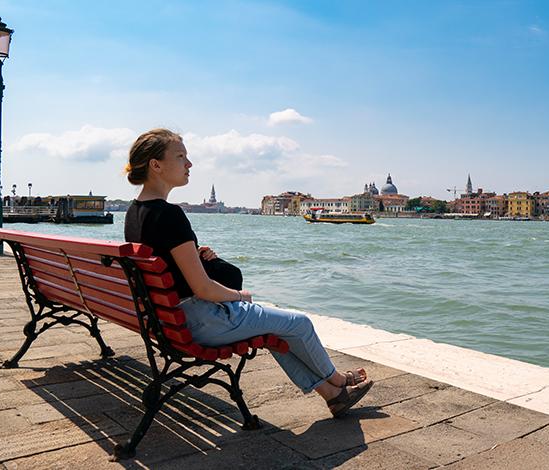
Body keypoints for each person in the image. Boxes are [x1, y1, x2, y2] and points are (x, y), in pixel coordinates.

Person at [123, 128, 372, 417]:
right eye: (181, 157)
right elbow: (203, 289)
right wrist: (239, 295)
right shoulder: (169, 215)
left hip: (167, 320)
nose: (189, 164)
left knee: (276, 327)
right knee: (299, 324)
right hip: (198, 322)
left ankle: (331, 394)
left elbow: (170, 265)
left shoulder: (134, 212)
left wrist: (196, 257)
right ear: (156, 165)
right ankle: (338, 380)